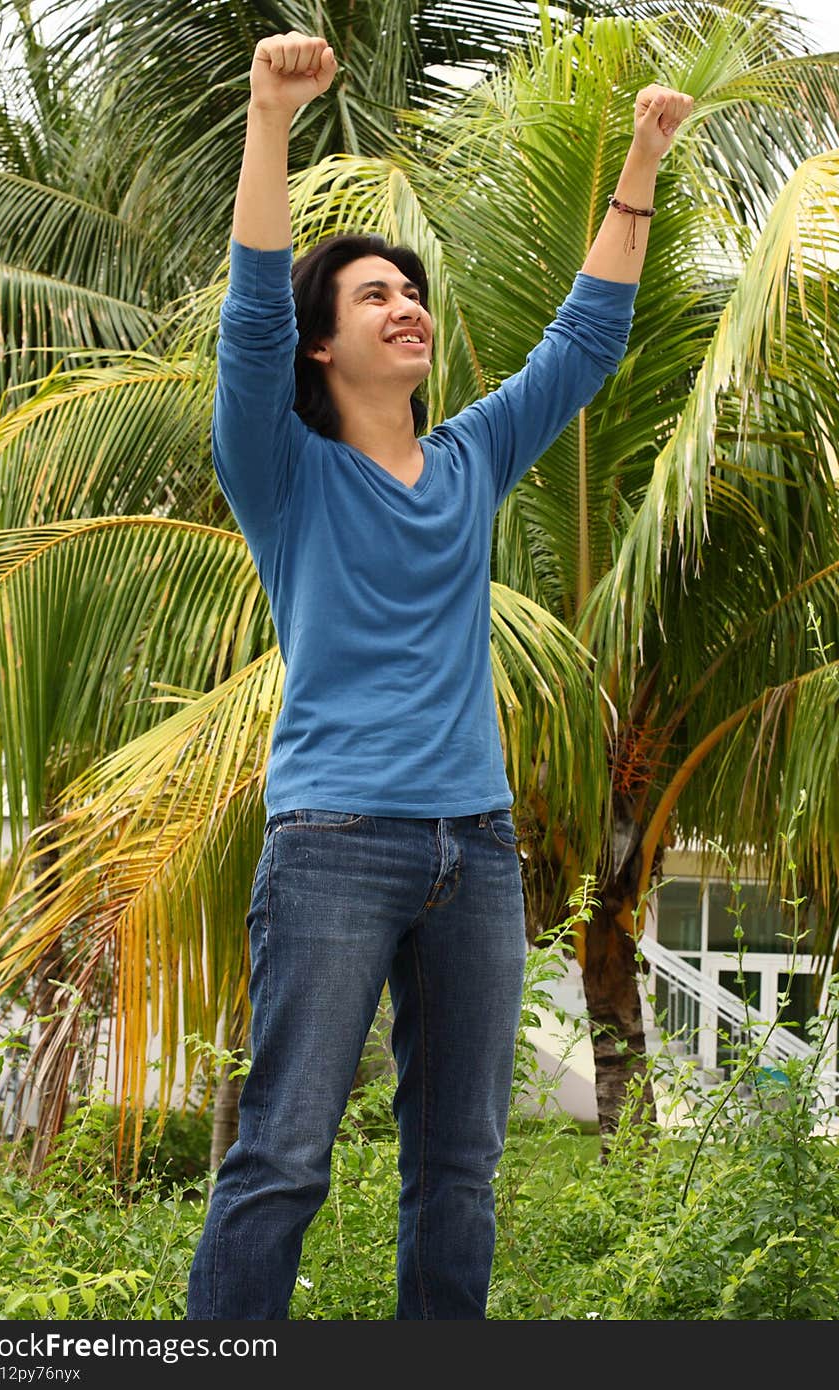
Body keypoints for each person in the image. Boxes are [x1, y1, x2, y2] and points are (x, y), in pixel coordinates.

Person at [186, 29, 694, 1321]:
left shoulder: (468, 460)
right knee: (283, 1157)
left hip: (474, 847)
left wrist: (641, 157)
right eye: (371, 295)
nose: (405, 305)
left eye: (411, 293)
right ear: (322, 348)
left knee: (460, 1169)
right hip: (337, 839)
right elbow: (248, 318)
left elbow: (584, 343)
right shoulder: (284, 473)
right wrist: (267, 119)